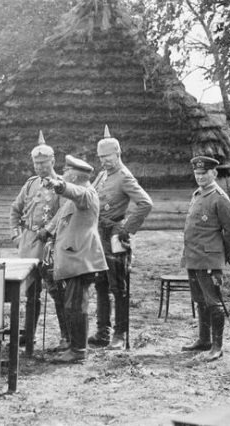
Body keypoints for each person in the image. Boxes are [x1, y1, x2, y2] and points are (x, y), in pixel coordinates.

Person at [88, 126, 153, 349]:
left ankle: (120, 334)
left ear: (118, 154)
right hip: (99, 238)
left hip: (115, 237)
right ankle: (102, 332)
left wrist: (126, 229)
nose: (104, 161)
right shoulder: (102, 176)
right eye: (100, 157)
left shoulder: (124, 177)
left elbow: (145, 203)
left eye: (107, 157)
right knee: (100, 285)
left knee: (119, 287)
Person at [43, 155, 108, 363]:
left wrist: (59, 186)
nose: (64, 174)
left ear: (75, 175)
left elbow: (75, 191)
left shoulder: (86, 193)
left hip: (81, 260)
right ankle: (74, 345)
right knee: (72, 305)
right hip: (75, 260)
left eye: (67, 172)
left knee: (76, 306)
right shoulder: (75, 199)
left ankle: (78, 351)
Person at [9, 132, 65, 350]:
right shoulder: (30, 184)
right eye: (36, 163)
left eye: (43, 163)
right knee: (31, 293)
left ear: (53, 161)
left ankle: (65, 337)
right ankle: (28, 334)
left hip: (51, 245)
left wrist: (51, 232)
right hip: (29, 244)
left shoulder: (61, 184)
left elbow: (64, 214)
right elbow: (15, 210)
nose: (40, 167)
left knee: (57, 291)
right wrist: (16, 235)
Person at [181, 156, 230, 362]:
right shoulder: (197, 194)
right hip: (194, 257)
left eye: (204, 173)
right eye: (197, 174)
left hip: (209, 259)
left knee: (213, 302)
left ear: (214, 173)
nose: (200, 177)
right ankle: (203, 340)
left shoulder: (219, 197)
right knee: (200, 300)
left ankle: (217, 345)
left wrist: (222, 256)